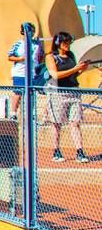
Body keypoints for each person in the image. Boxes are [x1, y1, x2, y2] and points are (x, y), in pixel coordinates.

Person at [44, 32, 94, 162]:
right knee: (56, 123)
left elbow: (73, 75)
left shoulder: (71, 56)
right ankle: (56, 151)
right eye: (65, 42)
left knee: (75, 122)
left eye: (69, 42)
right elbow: (55, 75)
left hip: (73, 92)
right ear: (58, 43)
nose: (68, 45)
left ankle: (80, 151)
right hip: (58, 93)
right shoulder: (51, 57)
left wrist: (81, 69)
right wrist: (75, 69)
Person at [7, 22, 44, 117]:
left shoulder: (37, 44)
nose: (31, 33)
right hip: (20, 72)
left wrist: (38, 66)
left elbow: (41, 56)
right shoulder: (18, 44)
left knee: (31, 93)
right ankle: (13, 113)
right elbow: (10, 57)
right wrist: (20, 59)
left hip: (32, 73)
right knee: (18, 92)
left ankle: (30, 113)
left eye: (32, 31)